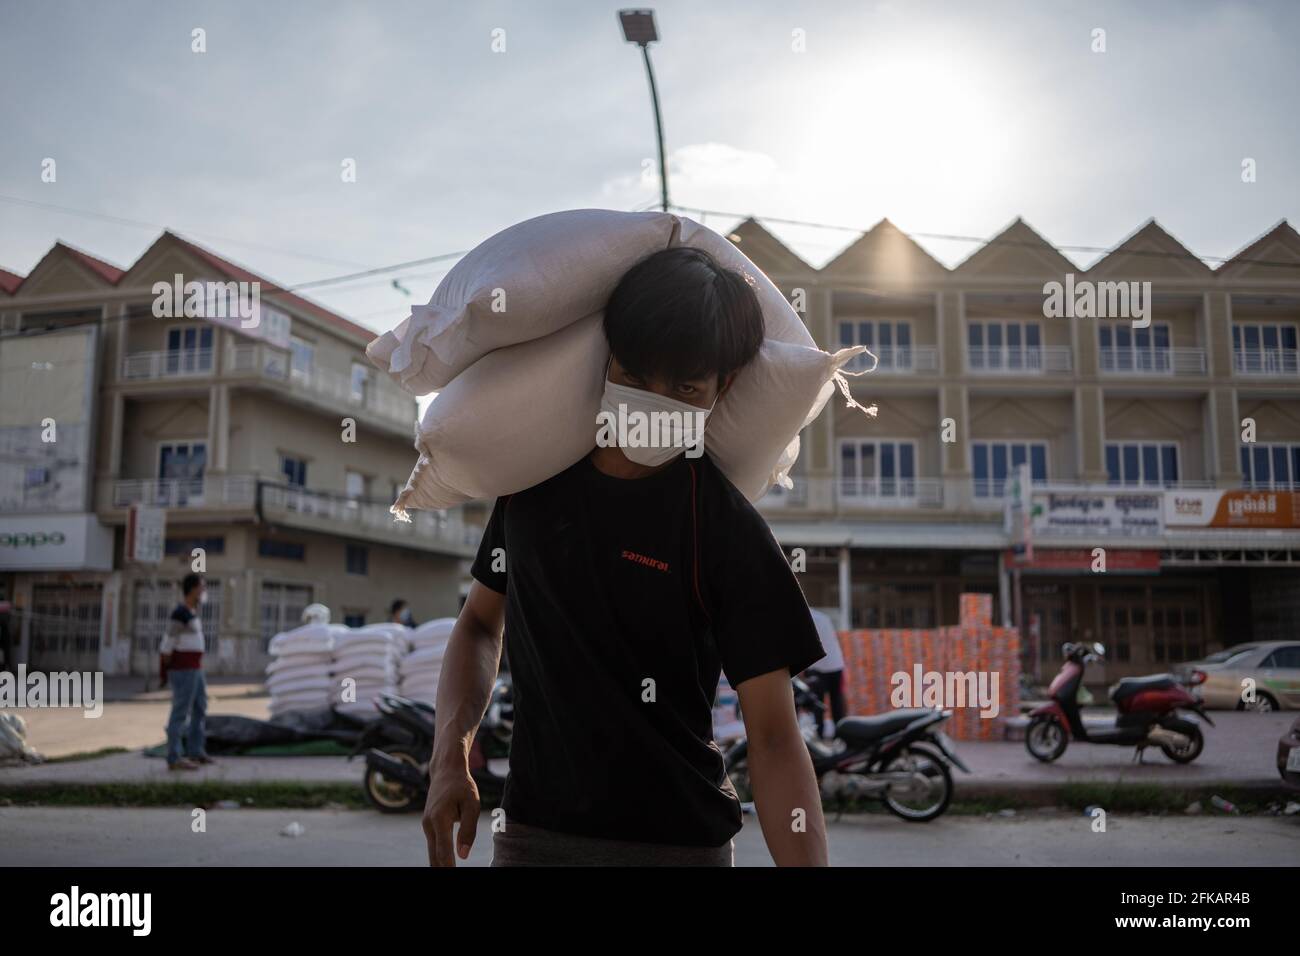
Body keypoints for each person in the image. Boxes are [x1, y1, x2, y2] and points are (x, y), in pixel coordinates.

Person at [422, 247, 829, 867]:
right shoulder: (533, 488)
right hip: (534, 839)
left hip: (680, 847)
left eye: (685, 387)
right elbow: (480, 622)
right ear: (608, 359)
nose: (652, 402)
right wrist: (450, 756)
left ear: (724, 388)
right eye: (636, 376)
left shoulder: (724, 528)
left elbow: (773, 736)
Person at [160, 573, 212, 770]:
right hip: (183, 668)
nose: (204, 592)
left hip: (195, 667)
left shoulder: (192, 613)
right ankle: (174, 757)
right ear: (192, 589)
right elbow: (167, 643)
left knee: (200, 707)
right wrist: (167, 669)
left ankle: (195, 751)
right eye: (202, 587)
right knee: (180, 712)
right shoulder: (180, 613)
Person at [803, 608, 848, 738]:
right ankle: (841, 736)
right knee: (836, 703)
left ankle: (820, 734)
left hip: (818, 667)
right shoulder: (823, 617)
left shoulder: (807, 618)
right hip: (835, 664)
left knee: (818, 705)